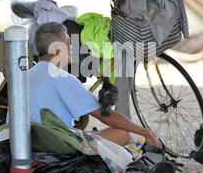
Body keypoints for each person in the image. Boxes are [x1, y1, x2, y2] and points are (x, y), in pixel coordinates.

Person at [28, 22, 161, 148]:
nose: (72, 47)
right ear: (58, 50)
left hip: (32, 144)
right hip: (56, 147)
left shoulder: (27, 75)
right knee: (122, 134)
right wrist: (146, 133)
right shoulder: (61, 78)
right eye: (68, 43)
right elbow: (106, 116)